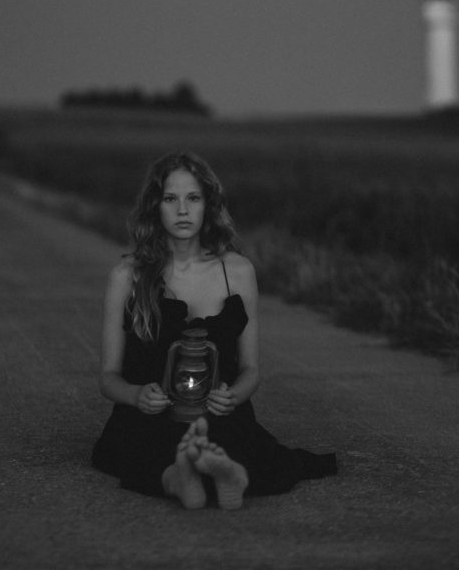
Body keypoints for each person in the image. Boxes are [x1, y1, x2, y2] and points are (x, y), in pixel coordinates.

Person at [92, 151, 337, 509]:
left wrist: (234, 396)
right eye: (170, 199)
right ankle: (181, 477)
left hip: (218, 415)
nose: (182, 210)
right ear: (154, 207)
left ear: (208, 204)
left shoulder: (237, 271)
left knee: (225, 440)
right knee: (154, 445)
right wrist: (136, 395)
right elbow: (108, 377)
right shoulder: (127, 276)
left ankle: (211, 474)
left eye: (193, 198)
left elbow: (251, 369)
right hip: (147, 417)